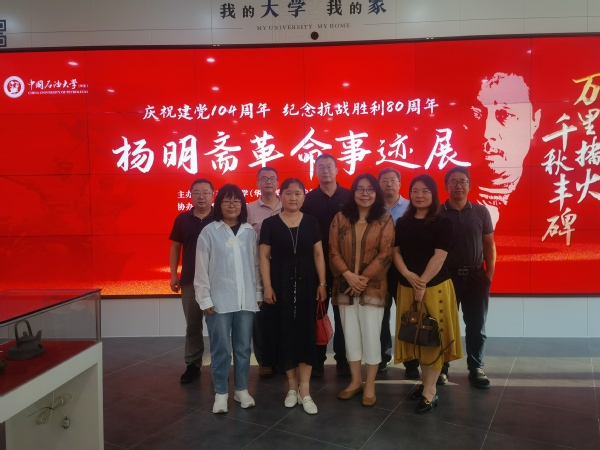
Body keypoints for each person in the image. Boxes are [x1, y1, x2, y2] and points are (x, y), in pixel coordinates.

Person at [393, 174, 463, 414]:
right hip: (406, 286)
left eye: (425, 191)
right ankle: (425, 383)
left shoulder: (442, 222)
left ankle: (431, 391)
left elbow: (440, 256)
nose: (419, 195)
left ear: (433, 194)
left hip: (434, 288)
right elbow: (396, 252)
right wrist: (407, 274)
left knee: (432, 338)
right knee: (416, 335)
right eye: (415, 191)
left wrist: (421, 283)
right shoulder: (403, 222)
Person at [259, 178, 327, 415]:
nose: (293, 197)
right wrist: (267, 287)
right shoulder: (269, 223)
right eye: (288, 193)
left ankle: (305, 390)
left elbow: (318, 254)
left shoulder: (312, 221)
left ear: (304, 197)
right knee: (286, 333)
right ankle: (291, 388)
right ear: (281, 196)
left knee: (306, 333)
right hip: (281, 285)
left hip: (308, 285)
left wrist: (322, 283)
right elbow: (263, 257)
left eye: (298, 193)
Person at [194, 184, 262, 414]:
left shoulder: (249, 232)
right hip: (219, 301)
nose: (232, 205)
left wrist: (259, 292)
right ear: (219, 204)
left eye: (236, 201)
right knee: (221, 348)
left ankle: (241, 390)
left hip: (246, 300)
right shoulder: (209, 232)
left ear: (242, 205)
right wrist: (204, 299)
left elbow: (256, 265)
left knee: (243, 348)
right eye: (226, 201)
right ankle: (221, 392)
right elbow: (201, 268)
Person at [329, 173, 394, 407]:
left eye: (370, 189)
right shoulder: (340, 218)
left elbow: (386, 253)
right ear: (353, 192)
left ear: (376, 193)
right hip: (345, 287)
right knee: (350, 337)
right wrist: (348, 276)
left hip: (372, 288)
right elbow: (333, 250)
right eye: (360, 189)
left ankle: (370, 385)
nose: (365, 194)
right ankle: (355, 381)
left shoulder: (385, 219)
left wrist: (362, 279)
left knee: (371, 337)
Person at [438, 167, 496, 389]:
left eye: (463, 181)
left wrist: (488, 275)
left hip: (475, 276)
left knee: (476, 325)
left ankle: (476, 367)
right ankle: (442, 368)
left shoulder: (481, 212)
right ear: (446, 186)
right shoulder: (438, 212)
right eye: (453, 181)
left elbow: (489, 245)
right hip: (446, 277)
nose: (458, 185)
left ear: (470, 185)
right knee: (444, 325)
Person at [301, 154, 351, 377]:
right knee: (317, 313)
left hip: (344, 266)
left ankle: (343, 359)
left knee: (343, 314)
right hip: (316, 266)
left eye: (329, 166)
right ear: (315, 171)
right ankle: (317, 359)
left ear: (337, 169)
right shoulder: (308, 199)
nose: (325, 170)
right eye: (320, 167)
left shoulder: (349, 197)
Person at [474, 72, 541, 228]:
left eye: (504, 114)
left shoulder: (543, 195)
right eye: (478, 115)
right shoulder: (450, 205)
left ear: (534, 121)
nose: (488, 133)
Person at [169, 179, 214, 384]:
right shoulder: (182, 219)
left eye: (206, 192)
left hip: (216, 281)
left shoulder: (220, 217)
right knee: (193, 324)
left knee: (218, 326)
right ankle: (193, 364)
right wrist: (174, 275)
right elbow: (175, 248)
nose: (201, 196)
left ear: (213, 195)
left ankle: (219, 364)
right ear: (190, 195)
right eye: (197, 192)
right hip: (190, 280)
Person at [377, 167, 418, 378]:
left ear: (400, 184)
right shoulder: (373, 208)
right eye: (384, 180)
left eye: (393, 180)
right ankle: (383, 357)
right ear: (379, 184)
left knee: (407, 315)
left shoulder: (411, 207)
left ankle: (411, 362)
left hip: (405, 269)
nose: (389, 184)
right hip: (380, 270)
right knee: (381, 315)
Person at [246, 166, 282, 379]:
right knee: (261, 318)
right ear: (257, 183)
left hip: (284, 268)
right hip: (258, 270)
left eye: (272, 178)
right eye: (264, 178)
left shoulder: (288, 205)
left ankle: (283, 359)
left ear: (278, 182)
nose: (268, 181)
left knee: (283, 317)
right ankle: (265, 361)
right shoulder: (249, 209)